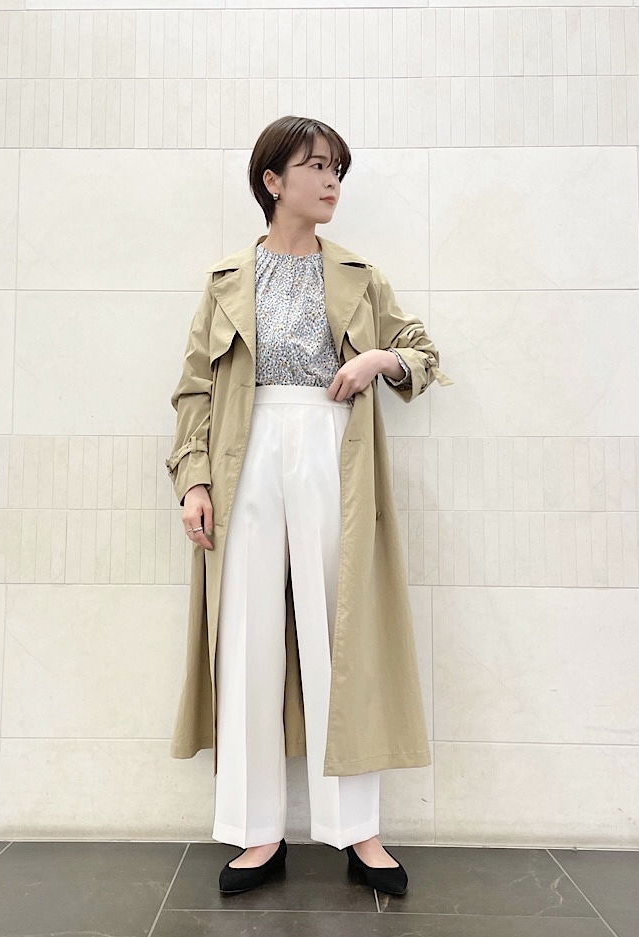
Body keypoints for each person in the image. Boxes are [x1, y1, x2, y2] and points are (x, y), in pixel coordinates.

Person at [166, 115, 452, 897]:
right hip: (245, 452)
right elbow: (193, 391)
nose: (331, 182)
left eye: (337, 170)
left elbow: (425, 354)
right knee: (246, 635)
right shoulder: (227, 280)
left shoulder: (359, 274)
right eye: (317, 167)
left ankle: (358, 831)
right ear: (273, 181)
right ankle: (257, 831)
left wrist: (378, 358)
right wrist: (195, 481)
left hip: (334, 452)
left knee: (341, 632)